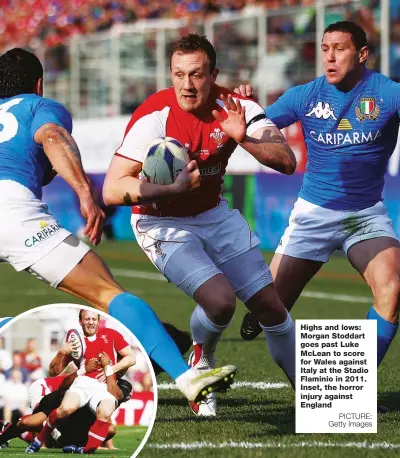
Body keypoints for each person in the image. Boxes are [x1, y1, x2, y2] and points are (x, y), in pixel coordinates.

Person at [0, 47, 236, 405]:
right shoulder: (38, 106)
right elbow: (52, 137)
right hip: (13, 213)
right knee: (109, 293)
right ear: (39, 83)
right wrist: (83, 192)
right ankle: (186, 377)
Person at [103, 33, 297, 416]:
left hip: (213, 214)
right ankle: (201, 365)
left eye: (196, 75)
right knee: (221, 302)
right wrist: (168, 187)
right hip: (162, 223)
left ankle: (314, 397)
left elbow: (285, 160)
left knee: (271, 308)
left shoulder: (236, 107)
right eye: (178, 74)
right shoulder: (155, 116)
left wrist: (244, 138)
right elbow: (112, 188)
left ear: (214, 75)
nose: (186, 85)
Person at [237, 21, 400, 374]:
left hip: (366, 215)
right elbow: (264, 127)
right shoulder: (305, 95)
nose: (330, 56)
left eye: (339, 49)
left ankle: (356, 387)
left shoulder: (388, 94)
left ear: (361, 54)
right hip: (313, 215)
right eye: (325, 48)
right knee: (272, 310)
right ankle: (261, 311)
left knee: (392, 288)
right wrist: (248, 113)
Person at [26, 309, 134, 453]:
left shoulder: (112, 334)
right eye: (87, 319)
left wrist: (111, 368)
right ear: (81, 321)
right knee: (65, 409)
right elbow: (53, 372)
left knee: (106, 412)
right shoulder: (76, 342)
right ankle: (38, 441)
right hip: (82, 383)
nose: (91, 322)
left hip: (104, 387)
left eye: (94, 319)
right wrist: (61, 352)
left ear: (98, 321)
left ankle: (85, 450)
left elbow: (131, 358)